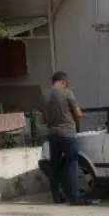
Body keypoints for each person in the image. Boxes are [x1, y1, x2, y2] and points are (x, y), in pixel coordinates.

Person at [40, 71, 87, 205]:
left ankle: (56, 196)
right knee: (72, 162)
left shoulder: (45, 95)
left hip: (53, 134)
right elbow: (78, 115)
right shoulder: (67, 92)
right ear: (64, 81)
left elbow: (42, 120)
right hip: (67, 133)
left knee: (54, 166)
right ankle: (74, 197)